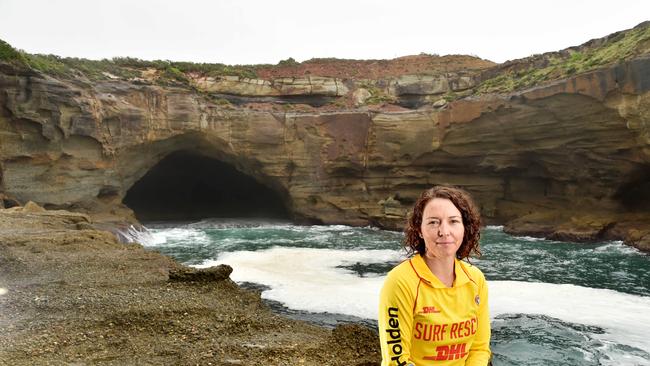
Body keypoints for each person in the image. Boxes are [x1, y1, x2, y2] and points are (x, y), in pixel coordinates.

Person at [378, 185, 491, 366]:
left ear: (465, 227)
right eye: (433, 222)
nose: (444, 231)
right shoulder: (401, 281)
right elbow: (397, 361)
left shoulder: (475, 280)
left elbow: (479, 349)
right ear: (420, 230)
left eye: (453, 221)